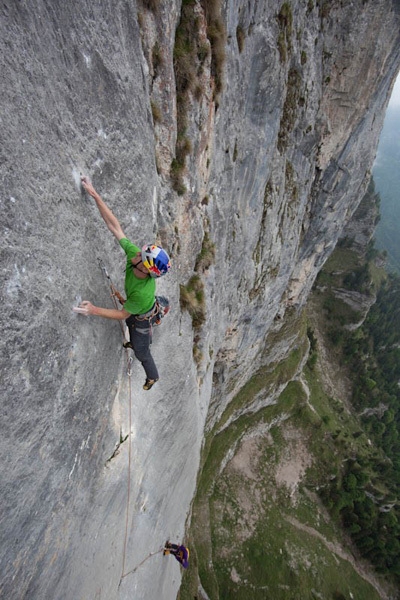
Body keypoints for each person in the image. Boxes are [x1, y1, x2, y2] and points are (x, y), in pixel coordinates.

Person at [73, 176, 171, 391]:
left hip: (142, 317)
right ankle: (133, 341)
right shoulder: (136, 257)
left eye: (140, 257)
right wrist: (95, 195)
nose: (135, 254)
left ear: (145, 269)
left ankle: (153, 376)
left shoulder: (142, 294)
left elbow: (122, 314)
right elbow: (114, 226)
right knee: (131, 329)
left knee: (141, 352)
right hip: (136, 309)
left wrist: (93, 310)